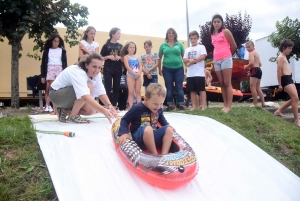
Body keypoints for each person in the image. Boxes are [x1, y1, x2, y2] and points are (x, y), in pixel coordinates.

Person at [49, 53, 117, 123]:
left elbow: (101, 92)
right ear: (86, 65)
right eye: (94, 66)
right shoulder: (77, 71)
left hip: (67, 95)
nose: (97, 70)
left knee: (91, 111)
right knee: (89, 86)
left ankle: (64, 110)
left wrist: (109, 105)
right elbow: (84, 96)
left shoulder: (97, 74)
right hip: (55, 95)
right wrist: (103, 110)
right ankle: (73, 116)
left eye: (99, 67)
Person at [118, 83, 175, 154]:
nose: (158, 106)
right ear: (146, 99)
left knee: (169, 129)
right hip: (139, 139)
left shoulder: (158, 108)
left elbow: (161, 118)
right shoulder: (137, 108)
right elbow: (125, 120)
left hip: (153, 136)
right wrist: (124, 133)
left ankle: (164, 155)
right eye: (155, 104)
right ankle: (155, 155)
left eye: (161, 103)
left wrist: (167, 125)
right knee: (148, 129)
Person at [211, 14, 237, 113]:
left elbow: (234, 45)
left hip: (226, 59)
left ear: (221, 22)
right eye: (215, 22)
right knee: (221, 83)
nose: (216, 23)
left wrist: (228, 54)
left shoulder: (225, 31)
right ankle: (225, 105)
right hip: (216, 60)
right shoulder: (212, 34)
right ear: (212, 23)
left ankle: (229, 106)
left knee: (227, 82)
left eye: (218, 21)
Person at [273, 39, 299, 127]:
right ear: (283, 48)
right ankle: (297, 120)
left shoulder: (284, 57)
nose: (290, 50)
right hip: (285, 79)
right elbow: (279, 71)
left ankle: (278, 111)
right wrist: (280, 84)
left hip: (289, 78)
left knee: (295, 98)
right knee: (295, 98)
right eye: (289, 48)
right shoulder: (280, 57)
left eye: (291, 48)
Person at [158, 28, 185, 111]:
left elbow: (184, 57)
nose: (171, 34)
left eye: (172, 33)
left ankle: (181, 104)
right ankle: (170, 104)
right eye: (169, 33)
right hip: (167, 69)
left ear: (175, 35)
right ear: (167, 35)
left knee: (179, 87)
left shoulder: (179, 45)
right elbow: (159, 58)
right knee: (169, 87)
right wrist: (159, 69)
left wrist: (186, 67)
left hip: (179, 69)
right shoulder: (163, 45)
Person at [40, 33, 67, 114]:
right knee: (52, 89)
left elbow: (65, 63)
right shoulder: (47, 51)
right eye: (55, 41)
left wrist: (65, 74)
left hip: (60, 68)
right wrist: (43, 75)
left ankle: (60, 108)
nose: (56, 43)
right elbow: (43, 64)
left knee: (60, 88)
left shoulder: (62, 51)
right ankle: (54, 109)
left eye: (58, 41)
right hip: (50, 68)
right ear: (51, 41)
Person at [183, 30, 207, 111]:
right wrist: (189, 61)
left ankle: (203, 106)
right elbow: (185, 60)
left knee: (201, 90)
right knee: (192, 90)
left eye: (194, 38)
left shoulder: (201, 47)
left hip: (199, 73)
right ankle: (194, 106)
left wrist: (193, 60)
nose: (193, 40)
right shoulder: (187, 49)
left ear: (197, 38)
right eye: (191, 38)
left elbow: (203, 56)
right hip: (190, 74)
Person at [100, 27, 123, 109]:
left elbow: (124, 58)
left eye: (120, 33)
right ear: (113, 34)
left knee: (117, 88)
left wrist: (119, 57)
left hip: (118, 69)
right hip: (108, 69)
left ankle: (114, 105)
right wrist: (108, 57)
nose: (120, 35)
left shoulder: (121, 46)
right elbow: (100, 57)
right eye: (118, 33)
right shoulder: (106, 46)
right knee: (108, 87)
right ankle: (107, 104)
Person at [244, 41, 266, 107]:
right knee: (258, 88)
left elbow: (251, 62)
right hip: (258, 70)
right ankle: (263, 103)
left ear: (253, 47)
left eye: (249, 47)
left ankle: (255, 103)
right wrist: (251, 70)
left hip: (254, 69)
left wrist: (246, 67)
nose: (248, 48)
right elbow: (260, 64)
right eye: (246, 47)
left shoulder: (251, 53)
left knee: (252, 87)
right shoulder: (257, 53)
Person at [120, 41, 142, 109]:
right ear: (127, 48)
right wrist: (133, 73)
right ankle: (131, 106)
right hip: (130, 75)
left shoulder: (137, 57)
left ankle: (139, 106)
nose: (132, 49)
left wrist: (139, 73)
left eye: (133, 47)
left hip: (138, 75)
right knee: (131, 92)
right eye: (130, 47)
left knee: (138, 91)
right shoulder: (126, 57)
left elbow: (141, 66)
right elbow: (127, 66)